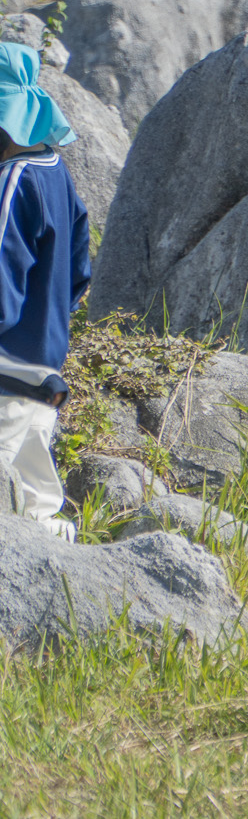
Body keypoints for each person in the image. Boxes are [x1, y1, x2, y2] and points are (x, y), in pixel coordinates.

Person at [0, 44, 90, 542]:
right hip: (42, 373)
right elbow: (79, 270)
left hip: (5, 373)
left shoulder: (13, 180)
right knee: (37, 515)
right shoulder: (55, 172)